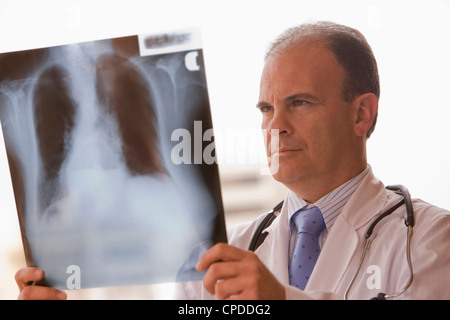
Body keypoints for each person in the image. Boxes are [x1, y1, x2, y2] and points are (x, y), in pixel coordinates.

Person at [15, 21, 450, 300]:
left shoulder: (429, 240)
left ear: (361, 113)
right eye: (265, 109)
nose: (275, 125)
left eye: (299, 103)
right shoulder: (220, 259)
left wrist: (279, 302)